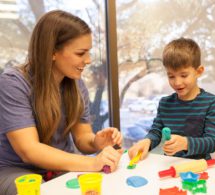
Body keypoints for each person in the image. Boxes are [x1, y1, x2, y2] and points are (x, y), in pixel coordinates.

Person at [0, 10, 123, 194]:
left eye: (88, 52)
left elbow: (82, 138)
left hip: (59, 168)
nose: (88, 60)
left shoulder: (75, 85)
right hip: (17, 170)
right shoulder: (13, 83)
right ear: (52, 52)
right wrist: (92, 162)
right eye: (80, 53)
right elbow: (29, 151)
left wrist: (97, 142)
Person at [128, 37, 215, 161]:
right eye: (171, 76)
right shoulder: (165, 104)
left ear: (199, 71)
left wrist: (185, 143)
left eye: (184, 75)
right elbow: (156, 132)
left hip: (199, 168)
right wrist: (147, 141)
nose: (177, 82)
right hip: (171, 166)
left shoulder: (210, 102)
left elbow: (212, 142)